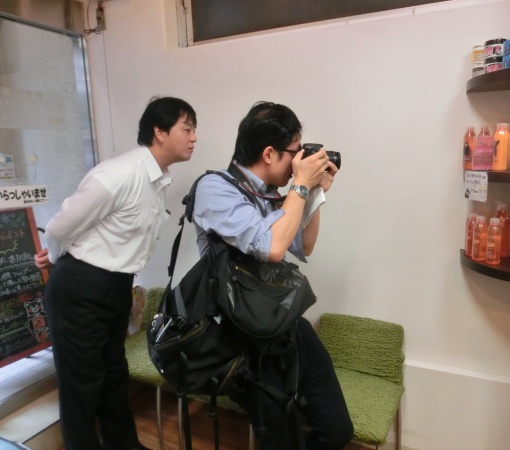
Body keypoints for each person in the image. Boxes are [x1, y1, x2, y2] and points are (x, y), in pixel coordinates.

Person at [34, 96, 197, 450]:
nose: (193, 137)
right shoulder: (119, 174)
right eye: (187, 129)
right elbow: (59, 228)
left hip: (115, 285)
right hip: (81, 286)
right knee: (82, 386)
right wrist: (57, 260)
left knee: (113, 374)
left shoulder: (158, 179)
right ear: (159, 131)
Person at [192, 101, 353, 449]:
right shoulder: (214, 188)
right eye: (294, 152)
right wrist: (300, 185)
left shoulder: (271, 195)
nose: (298, 162)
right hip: (243, 337)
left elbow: (305, 244)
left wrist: (313, 190)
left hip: (287, 324)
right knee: (281, 439)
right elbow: (273, 247)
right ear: (269, 153)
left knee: (337, 429)